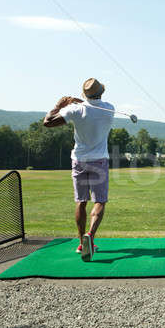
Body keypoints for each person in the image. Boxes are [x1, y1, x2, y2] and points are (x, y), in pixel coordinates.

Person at [43, 78, 115, 261]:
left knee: (81, 201)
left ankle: (82, 243)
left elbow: (48, 122)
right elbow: (92, 107)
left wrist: (59, 104)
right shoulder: (109, 109)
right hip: (99, 161)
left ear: (85, 94)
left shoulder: (75, 109)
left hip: (79, 161)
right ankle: (90, 235)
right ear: (102, 92)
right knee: (99, 201)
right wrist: (81, 101)